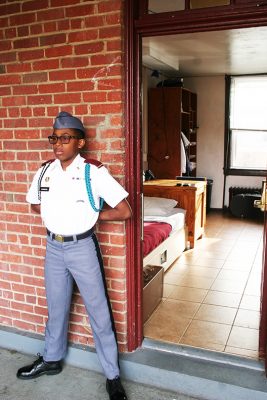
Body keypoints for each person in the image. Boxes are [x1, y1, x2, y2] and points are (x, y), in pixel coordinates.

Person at [17, 111, 132, 400]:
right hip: (53, 248)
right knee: (56, 307)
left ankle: (112, 376)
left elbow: (125, 210)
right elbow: (35, 204)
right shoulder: (45, 171)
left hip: (82, 248)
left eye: (65, 138)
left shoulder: (93, 172)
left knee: (99, 313)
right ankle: (52, 359)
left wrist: (93, 216)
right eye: (54, 138)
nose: (58, 143)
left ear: (79, 142)